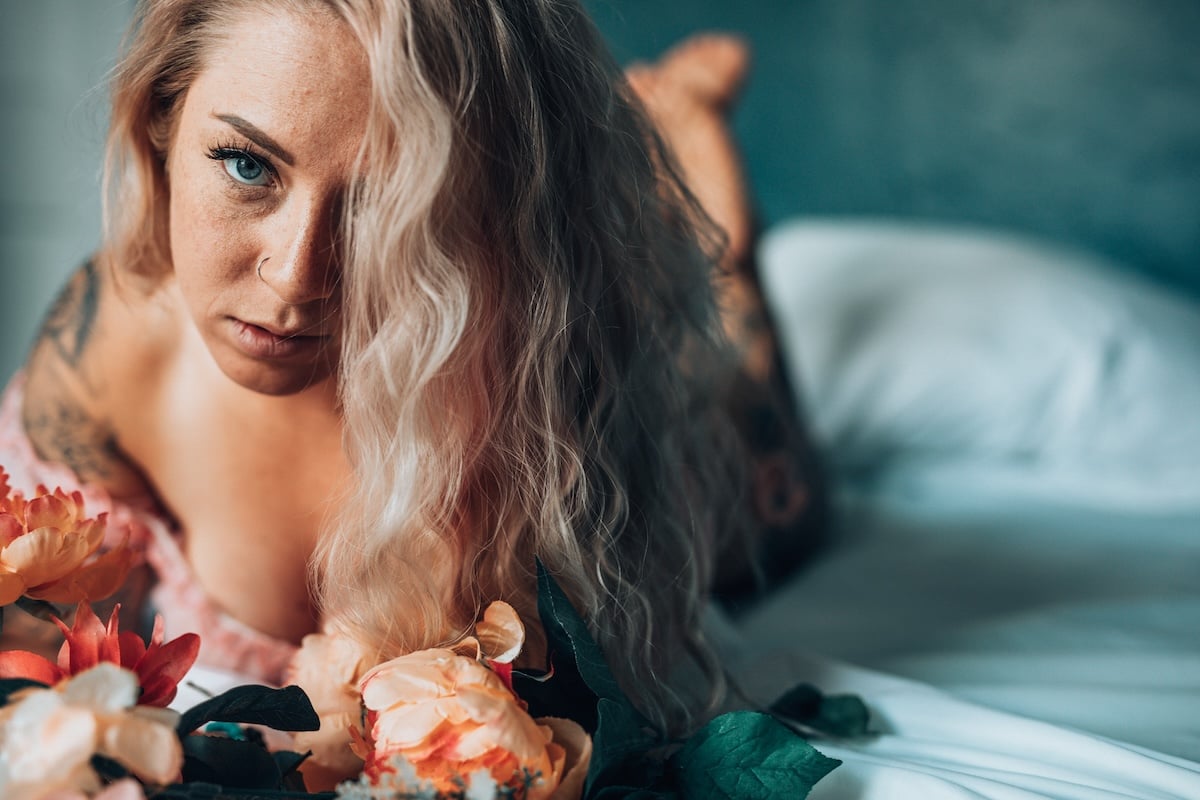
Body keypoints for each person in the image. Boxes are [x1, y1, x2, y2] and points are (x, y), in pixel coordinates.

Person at [1, 0, 820, 735]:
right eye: (248, 164)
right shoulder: (114, 337)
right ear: (162, 121)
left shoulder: (536, 401)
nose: (295, 276)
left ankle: (719, 238)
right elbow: (37, 652)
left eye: (387, 207)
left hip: (641, 418)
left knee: (778, 504)